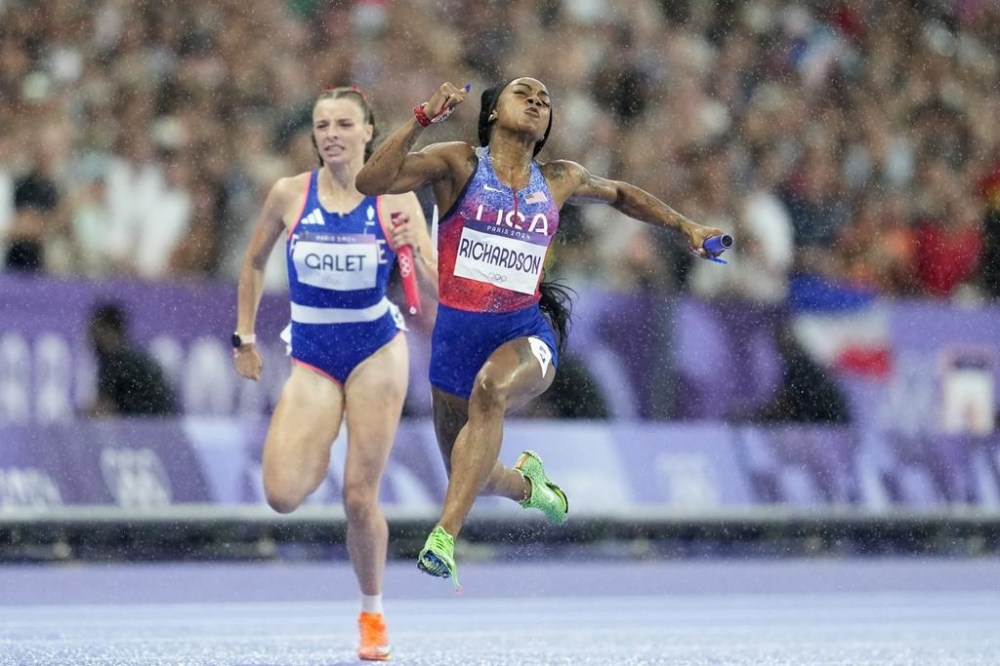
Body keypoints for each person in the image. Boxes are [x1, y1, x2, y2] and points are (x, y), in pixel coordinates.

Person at [356, 78, 726, 587]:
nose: (536, 100)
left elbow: (620, 195)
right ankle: (530, 487)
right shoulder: (459, 162)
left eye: (545, 99)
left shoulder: (558, 179)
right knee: (475, 476)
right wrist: (423, 117)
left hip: (526, 334)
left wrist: (686, 227)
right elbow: (370, 182)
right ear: (491, 114)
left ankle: (444, 537)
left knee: (491, 389)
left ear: (548, 125)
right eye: (523, 93)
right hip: (453, 346)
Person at [232, 86, 434, 662]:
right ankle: (319, 439)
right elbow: (252, 262)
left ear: (369, 132)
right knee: (280, 494)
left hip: (376, 350)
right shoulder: (289, 194)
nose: (332, 134)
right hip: (315, 354)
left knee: (357, 498)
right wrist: (244, 336)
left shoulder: (396, 199)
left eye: (345, 124)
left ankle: (372, 613)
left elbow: (434, 304)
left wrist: (414, 255)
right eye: (322, 125)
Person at [87, 301, 176, 417]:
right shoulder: (130, 356)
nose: (90, 336)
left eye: (95, 330)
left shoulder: (118, 361)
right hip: (155, 424)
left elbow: (103, 409)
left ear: (107, 330)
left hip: (147, 426)